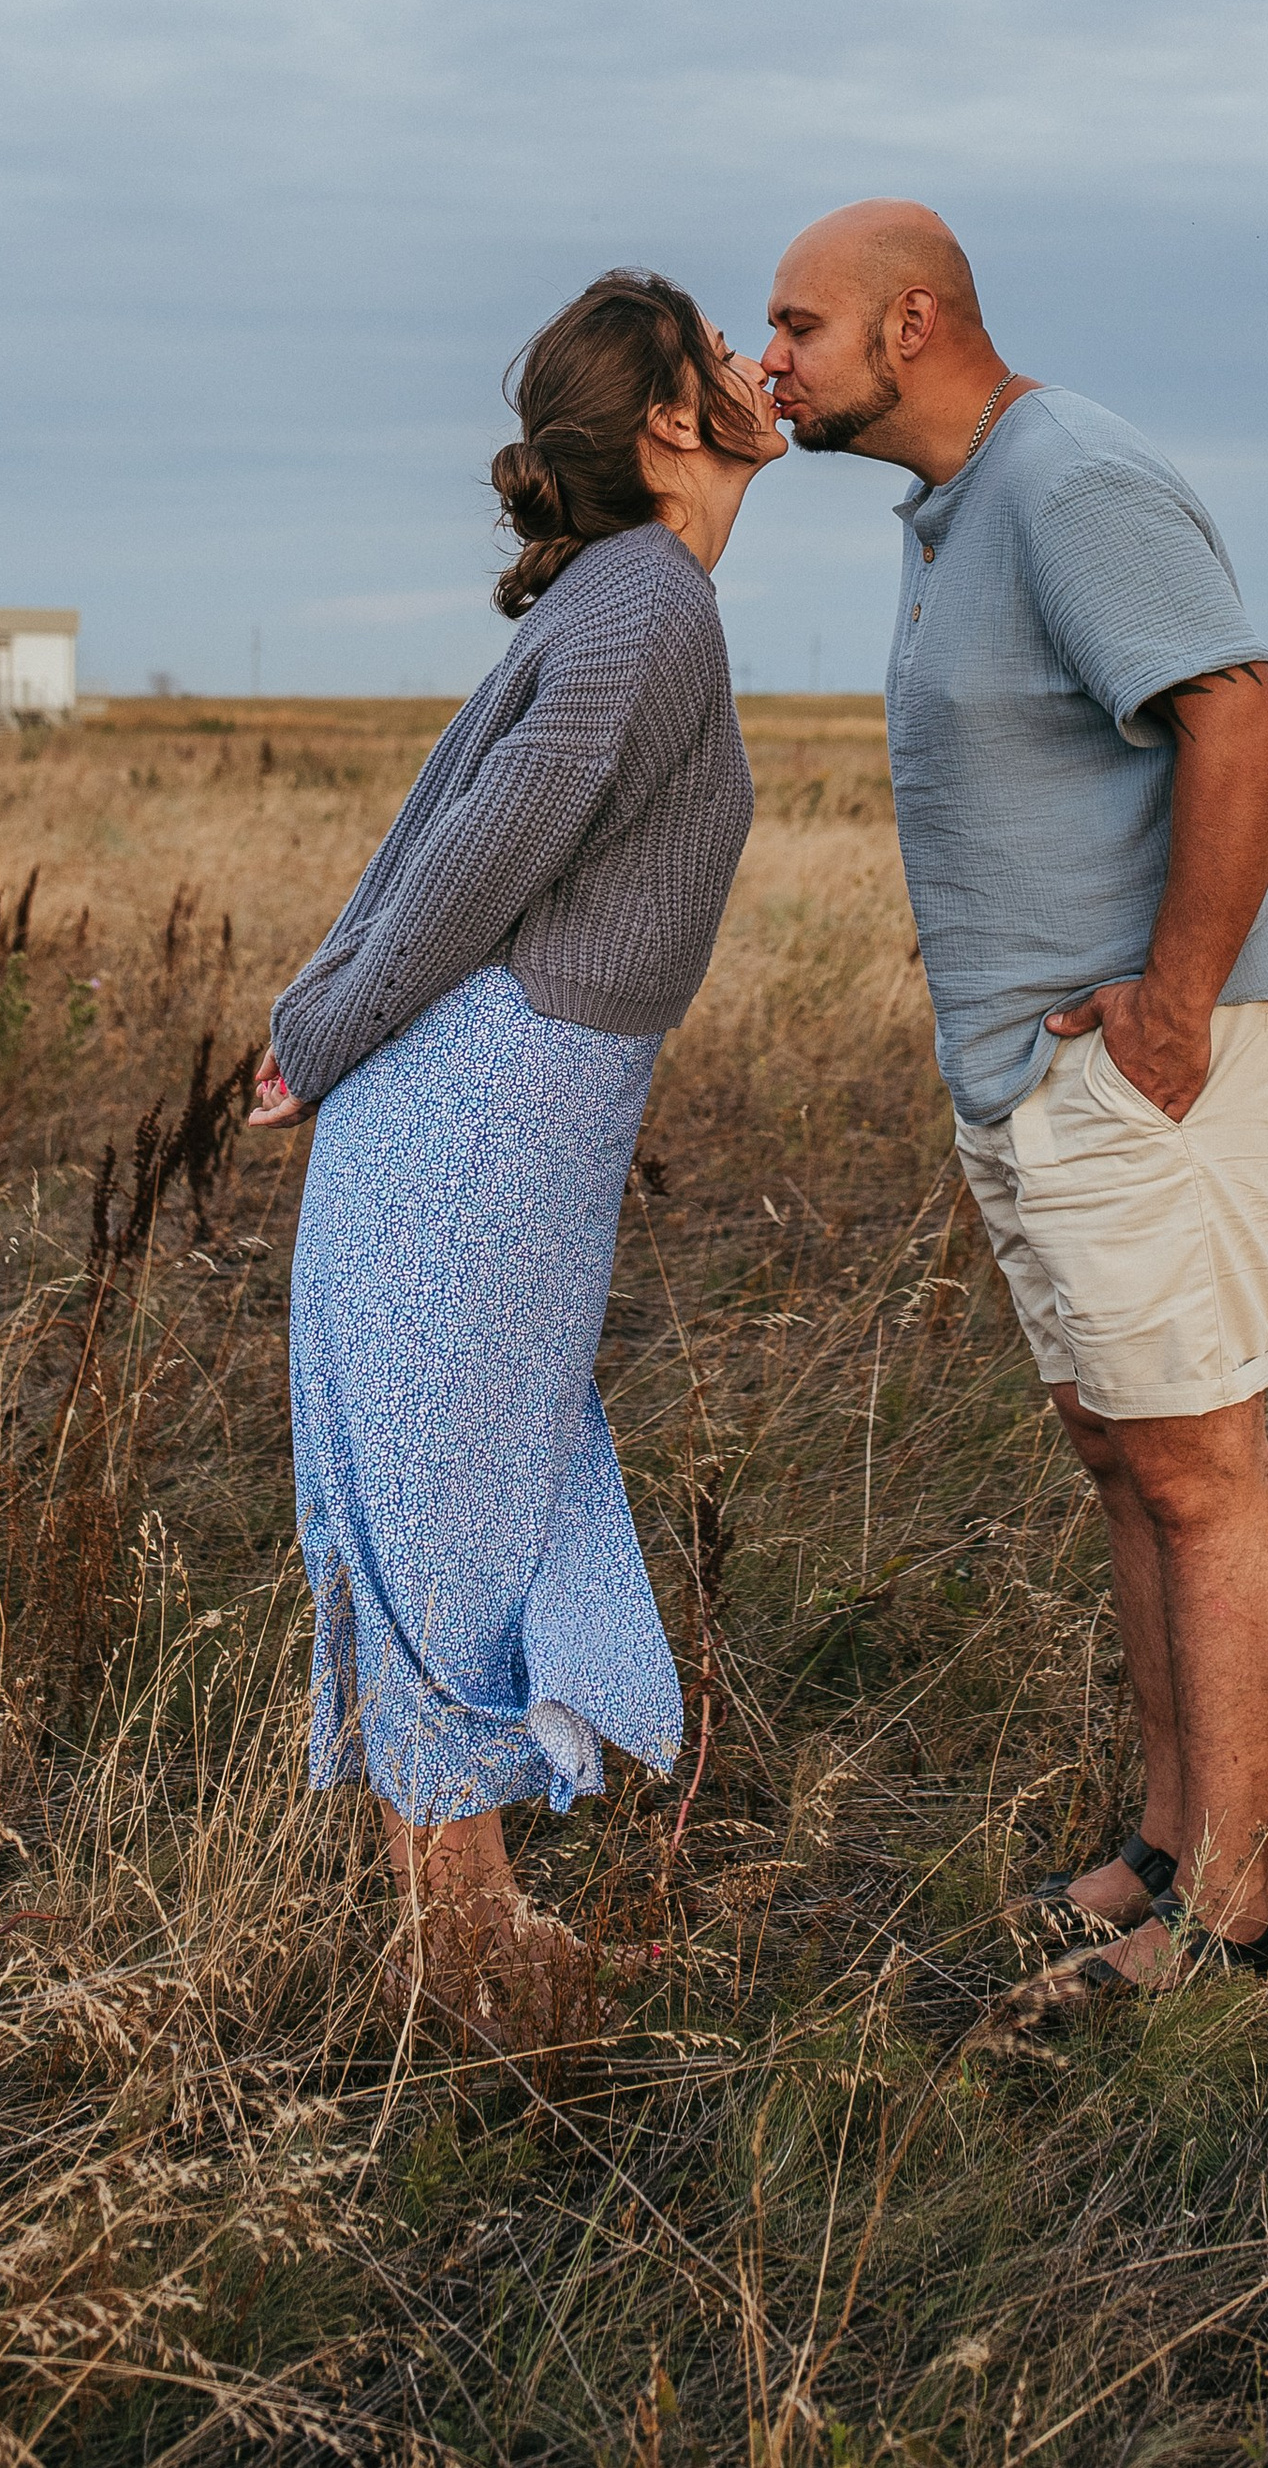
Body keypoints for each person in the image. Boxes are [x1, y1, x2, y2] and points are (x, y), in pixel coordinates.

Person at [762, 202, 1268, 2019]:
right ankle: (1168, 1847)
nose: (772, 364)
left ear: (911, 323)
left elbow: (1239, 711)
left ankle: (1230, 1921)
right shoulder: (957, 510)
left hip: (1138, 1075)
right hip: (1036, 1080)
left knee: (1200, 1471)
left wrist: (1171, 1010)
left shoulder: (1066, 483)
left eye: (798, 329)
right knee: (1124, 1459)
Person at [249, 271, 784, 2040]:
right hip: (482, 1111)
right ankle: (473, 1960)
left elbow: (445, 828)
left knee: (464, 1488)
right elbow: (476, 855)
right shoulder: (647, 614)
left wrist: (324, 1007)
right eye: (721, 353)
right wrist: (320, 1032)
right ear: (669, 423)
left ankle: (459, 1943)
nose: (753, 367)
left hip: (506, 1109)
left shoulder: (633, 602)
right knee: (454, 1504)